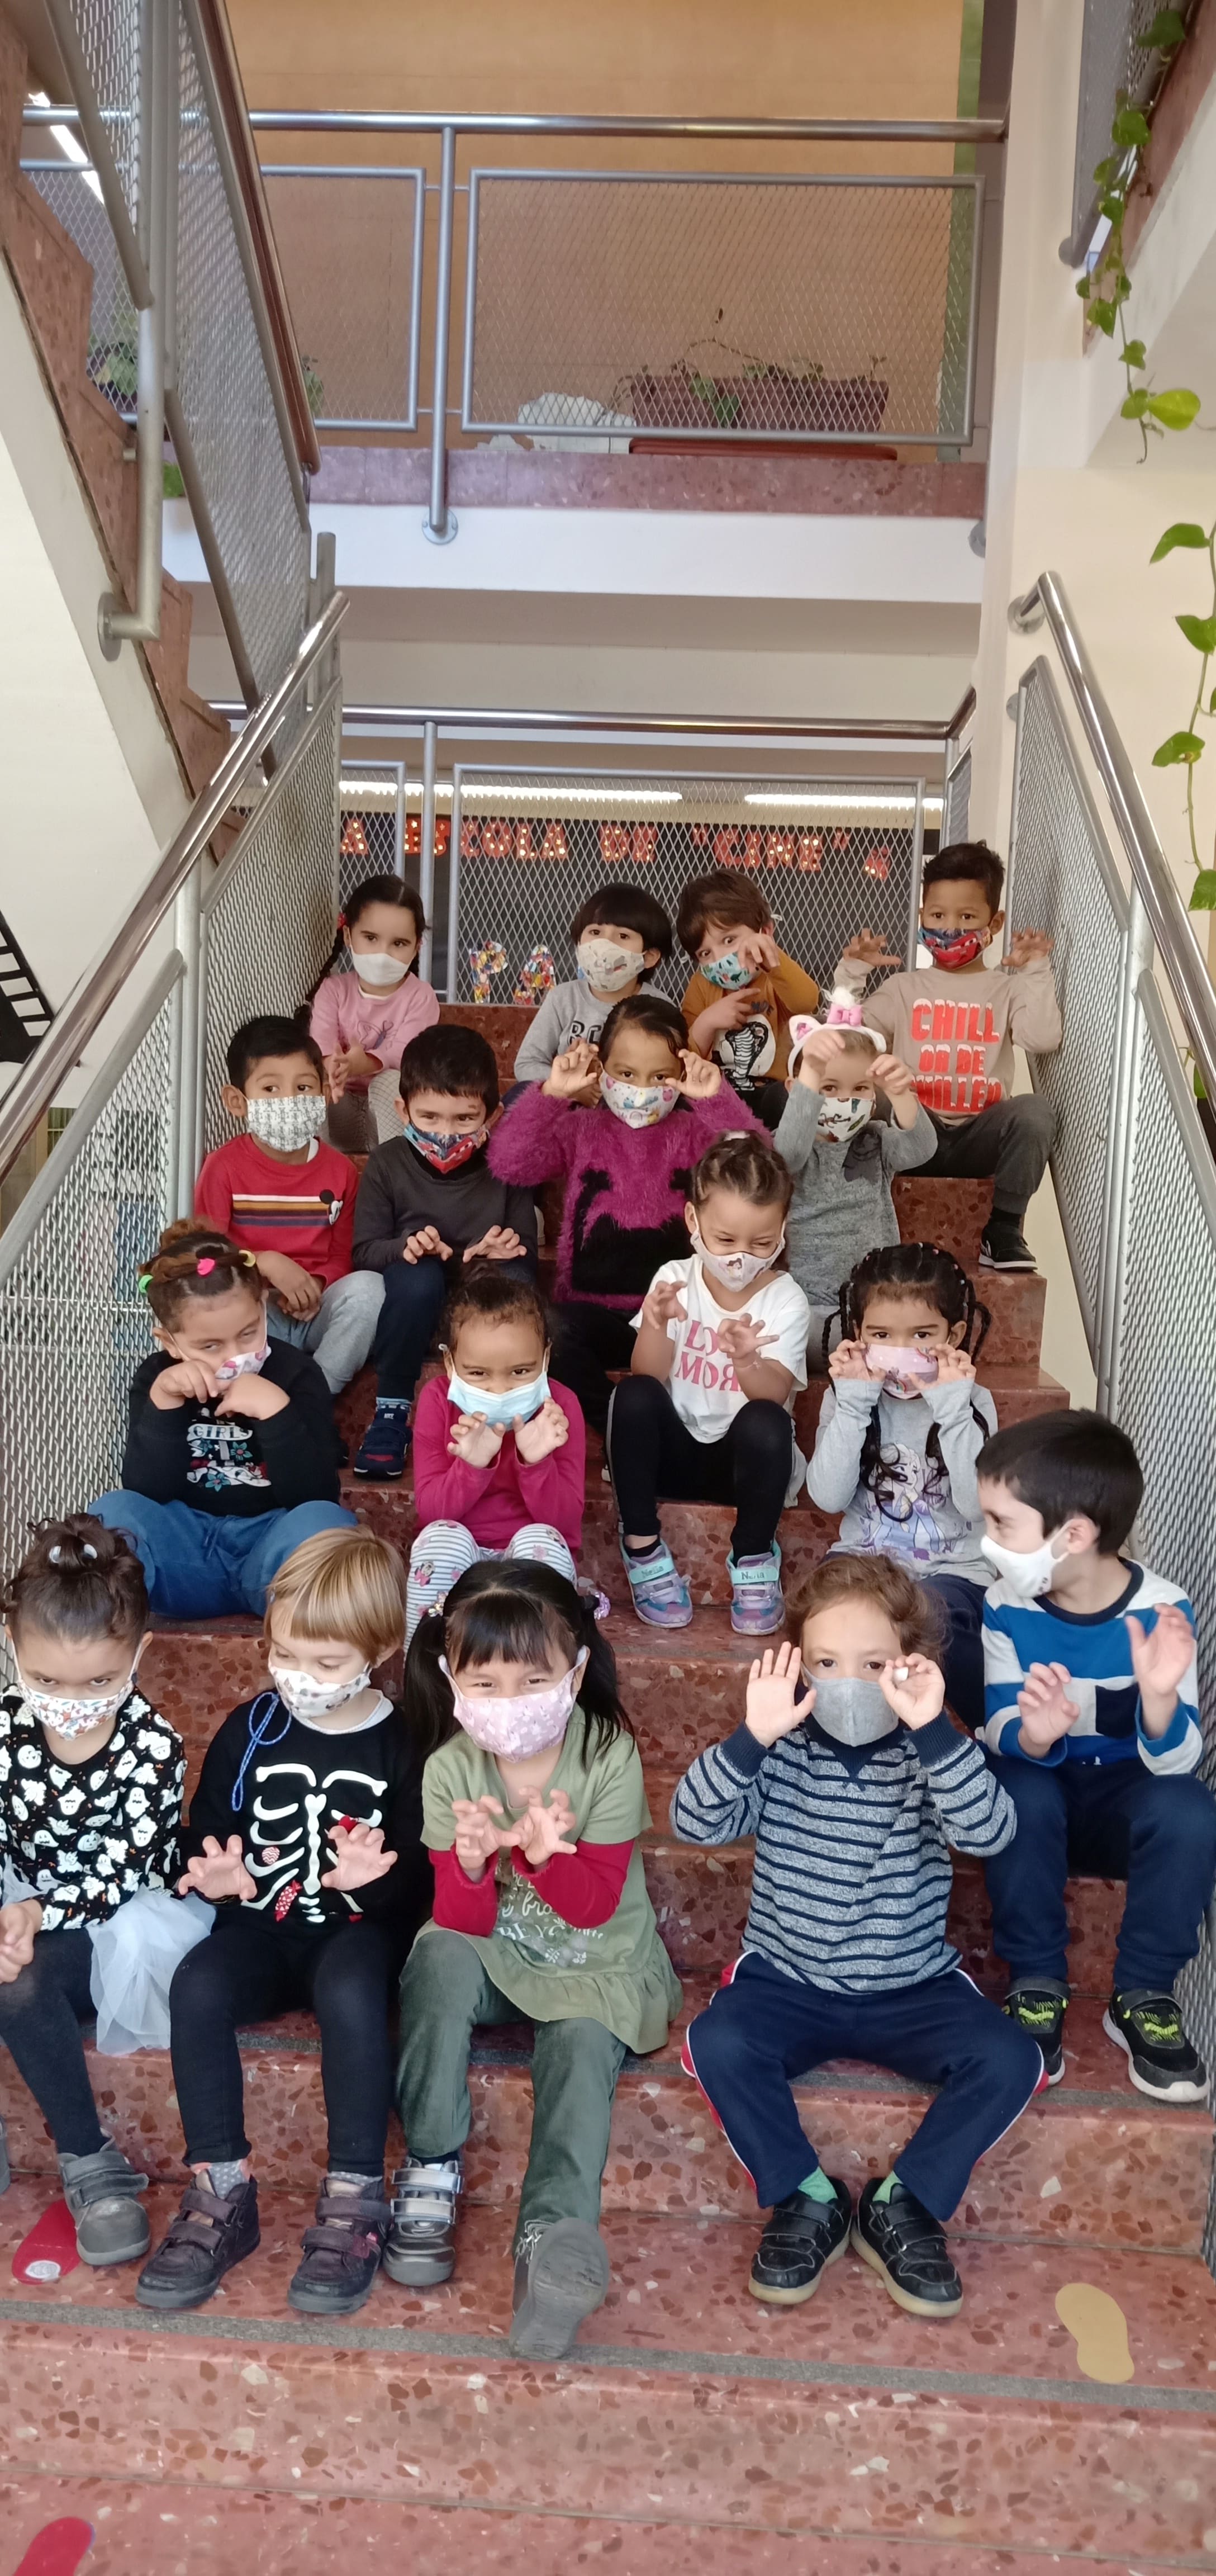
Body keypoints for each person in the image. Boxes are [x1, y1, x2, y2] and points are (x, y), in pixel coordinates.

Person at [673, 1554, 1042, 2318]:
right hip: (787, 1983)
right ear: (798, 1665)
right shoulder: (779, 1748)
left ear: (912, 1663)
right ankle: (807, 2196)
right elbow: (693, 1822)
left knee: (1013, 2056)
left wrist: (933, 1730)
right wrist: (752, 1736)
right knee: (715, 2042)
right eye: (826, 1663)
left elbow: (991, 1831)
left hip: (913, 1988)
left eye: (873, 1664)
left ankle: (903, 2203)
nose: (848, 1682)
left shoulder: (933, 1754)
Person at [386, 1562, 680, 2360]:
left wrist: (545, 1859)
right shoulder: (451, 1769)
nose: (510, 1702)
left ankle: (549, 2245)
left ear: (575, 1674)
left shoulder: (607, 1754)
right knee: (438, 1954)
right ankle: (431, 2163)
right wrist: (471, 1866)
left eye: (534, 1681)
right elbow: (462, 1918)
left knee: (580, 2049)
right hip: (497, 1951)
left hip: (597, 1961)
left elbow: (594, 1906)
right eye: (486, 1683)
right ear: (453, 1681)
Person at [136, 1529, 429, 2318]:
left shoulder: (403, 1743)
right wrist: (215, 1873)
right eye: (285, 1654)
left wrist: (381, 1880)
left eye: (326, 1663)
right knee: (198, 1985)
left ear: (380, 1650)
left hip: (354, 1933)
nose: (300, 1678)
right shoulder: (250, 1730)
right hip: (262, 1930)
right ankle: (222, 2189)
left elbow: (421, 1879)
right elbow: (206, 1834)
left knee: (354, 1985)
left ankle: (355, 2196)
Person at [976, 1410, 1216, 2101]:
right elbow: (1000, 1729)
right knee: (1013, 1786)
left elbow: (1177, 1762)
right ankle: (1036, 1983)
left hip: (1124, 1802)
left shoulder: (1163, 1609)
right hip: (1043, 1795)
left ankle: (1144, 1995)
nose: (986, 1541)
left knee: (1190, 1809)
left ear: (1073, 1536)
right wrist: (1037, 1733)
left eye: (1001, 1524)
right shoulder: (1004, 1606)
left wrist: (1159, 1700)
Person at [0, 1517, 184, 2267]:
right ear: (12, 1646)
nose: (71, 1700)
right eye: (46, 1681)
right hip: (19, 1903)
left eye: (99, 1683)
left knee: (20, 1984)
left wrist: (35, 1914)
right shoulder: (4, 1729)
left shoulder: (154, 1747)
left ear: (139, 1654)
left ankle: (88, 2160)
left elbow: (121, 1872)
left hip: (115, 1922)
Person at [489, 993, 765, 1436]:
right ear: (602, 1069)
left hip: (680, 1317)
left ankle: (663, 1428)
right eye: (626, 1074)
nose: (641, 1089)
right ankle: (623, 1426)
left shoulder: (695, 1134)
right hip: (593, 1312)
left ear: (682, 1073)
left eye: (660, 1076)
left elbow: (758, 1169)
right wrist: (552, 1095)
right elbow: (510, 1163)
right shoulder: (581, 1127)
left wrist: (716, 1100)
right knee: (547, 1332)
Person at [89, 1224, 353, 1618]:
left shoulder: (297, 1373)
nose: (235, 1357)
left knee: (329, 1523)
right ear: (169, 1342)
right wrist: (164, 1403)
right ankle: (103, 1646)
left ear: (263, 1305)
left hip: (271, 1558)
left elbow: (317, 1494)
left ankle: (301, 1644)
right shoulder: (156, 1377)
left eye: (248, 1334)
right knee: (111, 1513)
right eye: (210, 1346)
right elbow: (146, 1490)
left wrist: (277, 1412)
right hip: (185, 1556)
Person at [610, 1134, 808, 1636]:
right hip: (675, 1458)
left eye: (760, 1244)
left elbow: (773, 1395)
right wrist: (655, 1324)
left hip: (742, 1471)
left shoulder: (786, 1299)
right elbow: (648, 1374)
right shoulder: (674, 1278)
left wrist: (747, 1361)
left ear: (783, 1229)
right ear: (693, 1220)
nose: (741, 1257)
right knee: (631, 1396)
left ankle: (754, 1557)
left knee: (767, 1421)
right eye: (726, 1240)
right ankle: (642, 1547)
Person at [834, 839, 1061, 1271]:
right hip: (913, 1130)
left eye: (967, 917)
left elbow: (1042, 1037)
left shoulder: (1007, 988)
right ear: (922, 916)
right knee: (864, 1094)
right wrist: (852, 974)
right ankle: (854, 1210)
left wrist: (1036, 969)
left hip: (979, 1135)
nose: (951, 929)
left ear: (994, 922)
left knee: (1035, 1112)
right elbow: (845, 1039)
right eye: (938, 916)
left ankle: (1003, 1229)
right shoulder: (903, 988)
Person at [806, 1242, 996, 1731]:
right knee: (829, 1621)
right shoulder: (848, 1397)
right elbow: (827, 1497)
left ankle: (994, 1731)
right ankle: (817, 1741)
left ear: (954, 1335)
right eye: (882, 1335)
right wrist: (853, 1404)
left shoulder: (972, 1402)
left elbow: (976, 1505)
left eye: (922, 1336)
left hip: (953, 1571)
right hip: (862, 1561)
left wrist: (952, 1409)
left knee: (934, 1618)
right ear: (858, 1334)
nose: (902, 1352)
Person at [352, 1022, 538, 1483]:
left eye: (464, 1119)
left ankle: (522, 1410)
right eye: (429, 1118)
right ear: (403, 1109)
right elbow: (365, 1252)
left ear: (492, 1115)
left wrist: (497, 1251)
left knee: (517, 1280)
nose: (445, 1134)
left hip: (484, 1290)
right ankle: (392, 1411)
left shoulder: (507, 1167)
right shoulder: (387, 1163)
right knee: (417, 1277)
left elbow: (526, 1252)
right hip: (414, 1302)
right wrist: (406, 1247)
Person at [194, 1013, 382, 1395]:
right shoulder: (222, 1167)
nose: (290, 1100)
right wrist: (262, 1263)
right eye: (270, 1088)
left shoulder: (342, 1171)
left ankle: (315, 1395)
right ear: (237, 1101)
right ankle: (255, 1397)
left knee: (370, 1288)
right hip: (253, 1312)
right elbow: (205, 1258)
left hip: (316, 1311)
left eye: (303, 1087)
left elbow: (342, 1255)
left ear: (324, 1093)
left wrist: (315, 1284)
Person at [407, 1264, 586, 1636]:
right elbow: (432, 1513)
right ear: (450, 1363)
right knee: (442, 1540)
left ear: (545, 1358)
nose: (500, 1389)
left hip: (531, 1550)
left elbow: (565, 1522)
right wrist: (472, 1466)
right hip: (460, 1551)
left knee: (542, 1542)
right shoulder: (437, 1400)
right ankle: (427, 1670)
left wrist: (536, 1463)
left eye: (520, 1372)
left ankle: (540, 1670)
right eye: (478, 1373)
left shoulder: (561, 1407)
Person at [774, 989, 936, 1348]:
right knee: (792, 1338)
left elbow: (922, 1149)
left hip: (876, 1302)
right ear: (796, 1090)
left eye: (861, 1088)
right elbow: (788, 1156)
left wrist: (901, 1094)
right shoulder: (791, 1146)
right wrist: (812, 1071)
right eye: (829, 1087)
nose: (845, 1099)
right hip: (806, 1301)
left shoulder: (876, 1140)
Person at [677, 868, 820, 1129]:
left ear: (765, 932)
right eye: (705, 954)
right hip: (719, 1092)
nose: (719, 959)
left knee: (791, 1098)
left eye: (729, 940)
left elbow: (807, 1001)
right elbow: (685, 1056)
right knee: (683, 1104)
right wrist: (707, 1022)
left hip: (772, 1091)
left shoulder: (775, 975)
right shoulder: (701, 985)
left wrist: (773, 960)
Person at [307, 873, 439, 1153]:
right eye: (371, 938)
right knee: (308, 1079)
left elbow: (404, 1055)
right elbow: (321, 1045)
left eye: (399, 943)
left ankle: (396, 1167)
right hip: (339, 1112)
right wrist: (334, 1067)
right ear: (348, 935)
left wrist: (362, 1063)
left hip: (389, 1120)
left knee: (391, 1080)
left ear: (417, 946)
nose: (383, 954)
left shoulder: (421, 997)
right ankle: (317, 1165)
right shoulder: (333, 990)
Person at [512, 883, 673, 1088]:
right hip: (567, 1098)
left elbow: (671, 1072)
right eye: (595, 932)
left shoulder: (659, 1006)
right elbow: (526, 1064)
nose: (604, 944)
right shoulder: (563, 998)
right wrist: (569, 1082)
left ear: (649, 957)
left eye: (623, 936)